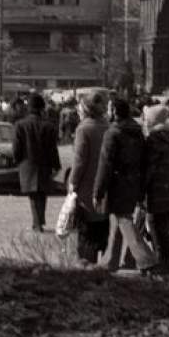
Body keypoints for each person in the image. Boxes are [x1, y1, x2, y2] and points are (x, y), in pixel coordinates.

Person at [93, 97, 159, 274]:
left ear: (114, 111)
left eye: (109, 109)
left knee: (123, 220)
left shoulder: (113, 133)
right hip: (134, 182)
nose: (107, 112)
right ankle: (110, 261)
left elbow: (105, 164)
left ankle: (146, 259)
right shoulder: (137, 131)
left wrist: (98, 191)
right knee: (118, 220)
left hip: (117, 184)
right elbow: (145, 161)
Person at [70, 93, 111, 265]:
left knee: (86, 229)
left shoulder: (83, 129)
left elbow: (80, 160)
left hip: (87, 185)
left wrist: (72, 182)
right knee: (102, 226)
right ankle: (99, 261)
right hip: (105, 186)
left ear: (85, 109)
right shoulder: (107, 126)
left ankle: (86, 263)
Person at [142, 104, 169, 276]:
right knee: (164, 229)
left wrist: (142, 188)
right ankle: (167, 264)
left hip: (156, 190)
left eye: (146, 118)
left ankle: (161, 265)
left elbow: (149, 167)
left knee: (155, 228)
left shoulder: (154, 139)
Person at [12, 94, 60, 232]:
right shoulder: (49, 126)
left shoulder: (20, 125)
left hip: (27, 164)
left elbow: (16, 147)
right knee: (42, 194)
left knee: (33, 195)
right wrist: (56, 166)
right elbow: (53, 149)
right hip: (44, 165)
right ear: (42, 108)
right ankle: (39, 221)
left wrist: (17, 160)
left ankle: (37, 223)